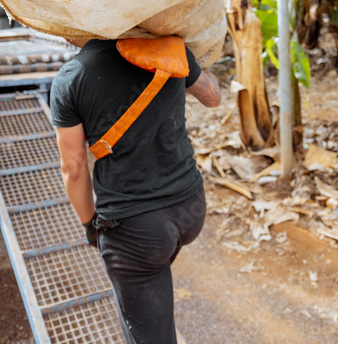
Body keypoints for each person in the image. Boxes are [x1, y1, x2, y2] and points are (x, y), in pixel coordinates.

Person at [51, 36, 221, 343]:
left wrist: (90, 224)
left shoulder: (72, 77)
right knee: (150, 287)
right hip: (190, 205)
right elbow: (212, 97)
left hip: (136, 229)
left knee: (146, 294)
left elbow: (73, 170)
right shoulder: (172, 49)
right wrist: (198, 62)